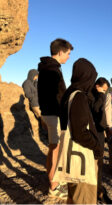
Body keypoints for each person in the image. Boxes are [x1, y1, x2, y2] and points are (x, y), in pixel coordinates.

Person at [60, 58, 102, 204]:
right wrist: (97, 146)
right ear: (86, 76)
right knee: (84, 199)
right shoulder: (79, 96)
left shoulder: (69, 93)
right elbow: (80, 133)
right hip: (81, 159)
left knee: (73, 197)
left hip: (71, 157)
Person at [37, 38, 73, 198]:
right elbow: (57, 96)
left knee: (53, 148)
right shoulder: (53, 70)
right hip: (54, 114)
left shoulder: (45, 67)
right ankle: (54, 187)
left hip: (48, 113)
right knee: (56, 150)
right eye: (68, 53)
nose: (69, 57)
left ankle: (53, 179)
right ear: (60, 52)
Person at [89, 77, 112, 204]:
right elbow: (96, 111)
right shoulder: (91, 96)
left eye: (105, 91)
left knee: (99, 162)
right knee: (94, 163)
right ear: (97, 86)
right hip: (92, 133)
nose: (104, 93)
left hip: (99, 133)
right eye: (103, 90)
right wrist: (101, 95)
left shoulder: (97, 95)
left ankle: (99, 189)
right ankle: (95, 191)